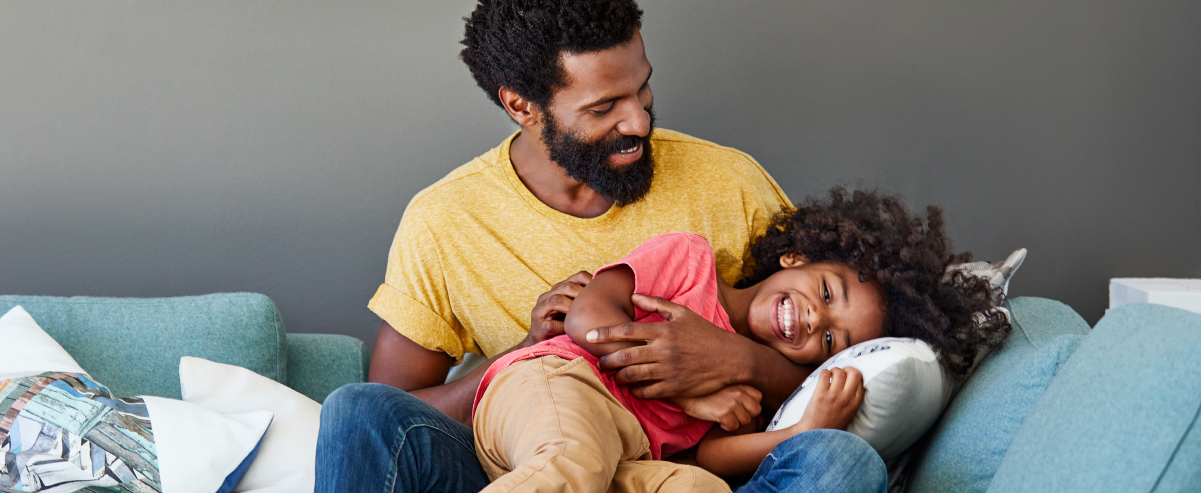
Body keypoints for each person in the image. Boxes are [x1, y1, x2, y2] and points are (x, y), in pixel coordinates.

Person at [316, 0, 886, 491]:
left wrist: (741, 361)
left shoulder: (728, 181)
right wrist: (525, 352)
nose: (639, 121)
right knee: (357, 411)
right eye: (603, 107)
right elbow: (401, 418)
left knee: (840, 464)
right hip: (530, 463)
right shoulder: (444, 221)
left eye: (642, 88)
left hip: (669, 466)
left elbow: (832, 342)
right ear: (522, 106)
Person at [471, 190, 1010, 491]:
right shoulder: (690, 262)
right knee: (574, 455)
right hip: (559, 384)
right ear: (795, 255)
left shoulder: (755, 386)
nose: (809, 318)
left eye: (829, 340)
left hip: (629, 455)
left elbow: (709, 459)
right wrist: (688, 393)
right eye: (825, 290)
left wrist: (801, 431)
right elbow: (586, 316)